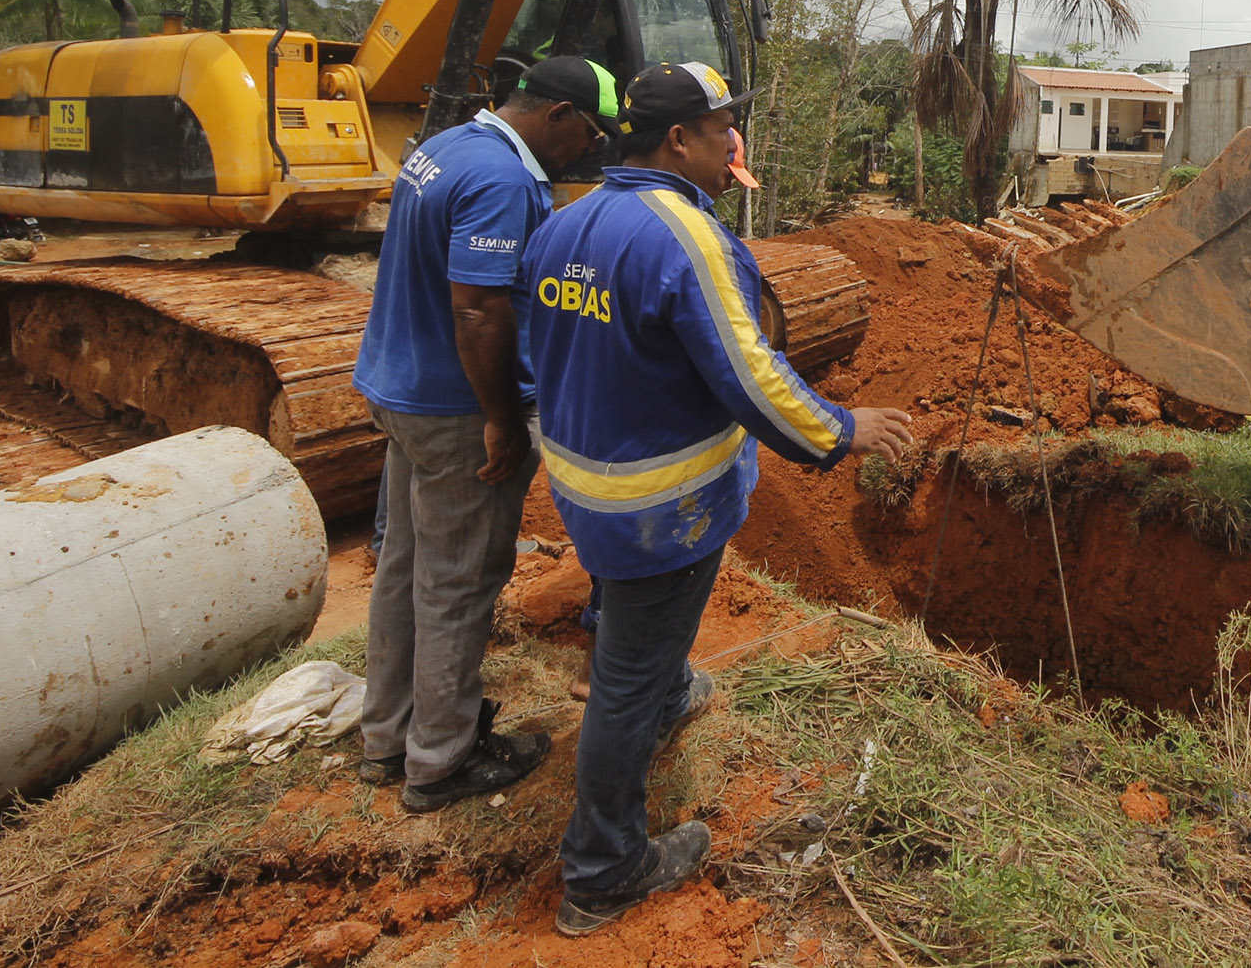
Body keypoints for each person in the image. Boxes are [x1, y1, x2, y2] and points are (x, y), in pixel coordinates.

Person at [524, 60, 914, 938]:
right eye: (720, 127)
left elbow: (541, 347)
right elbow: (750, 373)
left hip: (587, 485)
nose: (731, 141)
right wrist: (839, 428)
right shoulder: (686, 237)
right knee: (623, 681)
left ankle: (668, 695)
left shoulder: (567, 220)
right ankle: (603, 871)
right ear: (679, 139)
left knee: (636, 639)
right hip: (661, 505)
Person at [353, 56, 620, 813]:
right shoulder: (503, 180)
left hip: (400, 387)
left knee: (405, 566)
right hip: (455, 409)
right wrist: (502, 417)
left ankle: (387, 735)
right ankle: (441, 759)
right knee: (459, 580)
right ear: (558, 114)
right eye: (589, 134)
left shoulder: (446, 147)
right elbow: (477, 308)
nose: (588, 151)